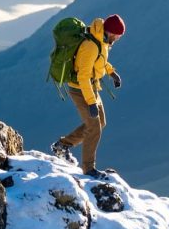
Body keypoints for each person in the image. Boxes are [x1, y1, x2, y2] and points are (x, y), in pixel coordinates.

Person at [52, 14, 124, 179]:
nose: (119, 38)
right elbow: (83, 76)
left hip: (92, 88)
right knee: (94, 127)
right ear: (111, 32)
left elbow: (101, 61)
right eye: (118, 35)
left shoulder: (102, 42)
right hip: (81, 90)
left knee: (101, 122)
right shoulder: (91, 45)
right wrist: (91, 102)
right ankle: (88, 169)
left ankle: (62, 145)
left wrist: (112, 73)